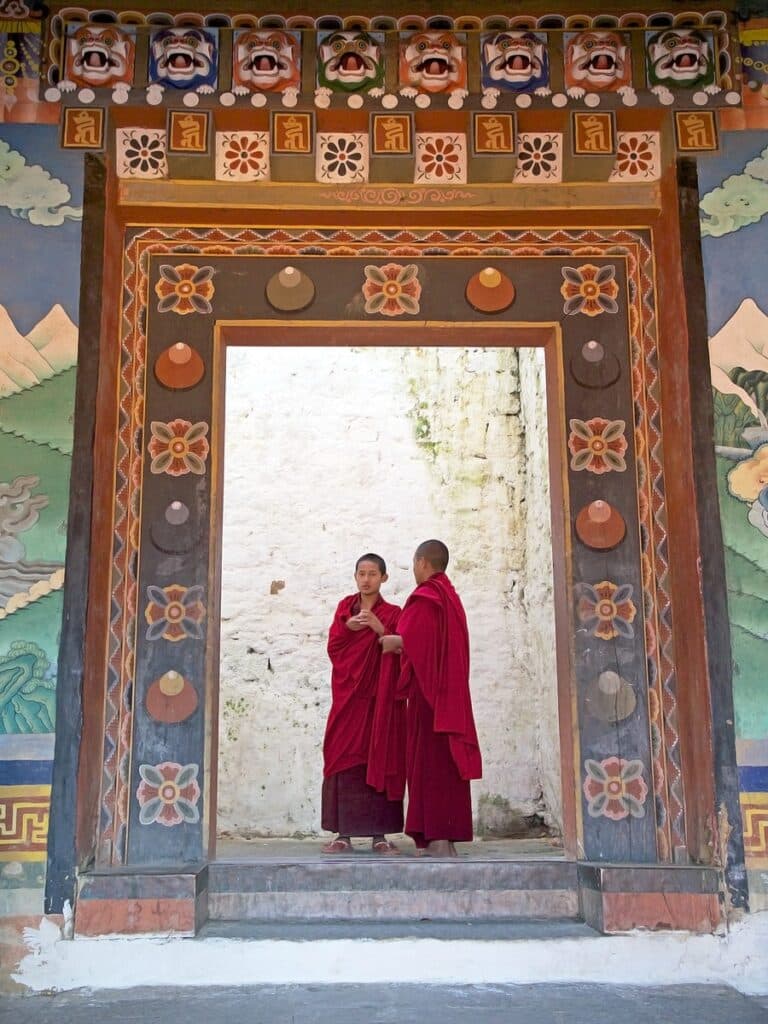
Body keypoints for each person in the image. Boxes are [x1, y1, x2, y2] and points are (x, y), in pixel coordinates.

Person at [380, 540, 482, 857]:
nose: (413, 571)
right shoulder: (450, 597)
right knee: (446, 765)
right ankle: (443, 838)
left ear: (422, 562)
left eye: (413, 565)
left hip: (430, 698)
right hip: (451, 695)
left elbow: (415, 642)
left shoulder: (426, 597)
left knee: (432, 764)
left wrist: (392, 641)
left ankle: (438, 838)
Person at [321, 553, 404, 855]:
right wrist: (350, 628)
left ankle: (378, 835)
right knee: (341, 754)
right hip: (349, 699)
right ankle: (343, 834)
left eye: (372, 574)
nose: (366, 579)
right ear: (355, 577)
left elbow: (401, 647)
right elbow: (334, 647)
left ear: (384, 577)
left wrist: (380, 628)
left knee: (378, 756)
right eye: (361, 573)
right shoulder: (345, 608)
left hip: (379, 702)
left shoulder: (394, 612)